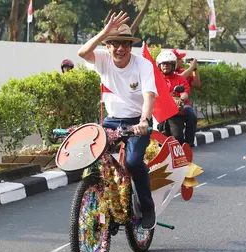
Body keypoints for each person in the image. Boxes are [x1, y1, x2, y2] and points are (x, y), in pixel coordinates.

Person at [78, 11, 158, 229]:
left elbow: (149, 95)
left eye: (125, 44)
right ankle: (105, 200)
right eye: (115, 43)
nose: (120, 48)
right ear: (108, 46)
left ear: (131, 47)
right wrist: (105, 32)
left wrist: (144, 120)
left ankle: (148, 206)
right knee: (95, 157)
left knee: (132, 162)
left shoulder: (143, 65)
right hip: (112, 120)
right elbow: (82, 52)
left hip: (137, 121)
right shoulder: (103, 59)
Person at [156, 50, 190, 145]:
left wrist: (181, 99)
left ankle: (187, 145)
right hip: (156, 112)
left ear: (173, 65)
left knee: (177, 137)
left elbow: (185, 92)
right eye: (163, 64)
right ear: (159, 65)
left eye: (168, 64)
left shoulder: (180, 78)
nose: (165, 66)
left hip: (174, 111)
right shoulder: (154, 79)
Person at [171, 49, 199, 147]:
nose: (182, 61)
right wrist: (191, 67)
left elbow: (196, 84)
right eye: (180, 59)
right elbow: (179, 77)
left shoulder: (183, 72)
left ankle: (189, 143)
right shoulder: (164, 73)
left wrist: (195, 69)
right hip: (167, 105)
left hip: (183, 104)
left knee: (191, 115)